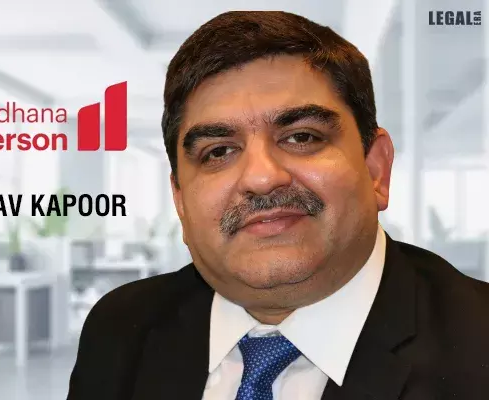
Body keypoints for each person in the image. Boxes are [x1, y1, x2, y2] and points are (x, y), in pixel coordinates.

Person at [66, 11, 489, 400]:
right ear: (179, 198)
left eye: (301, 137)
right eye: (218, 152)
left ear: (376, 169)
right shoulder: (121, 331)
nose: (261, 177)